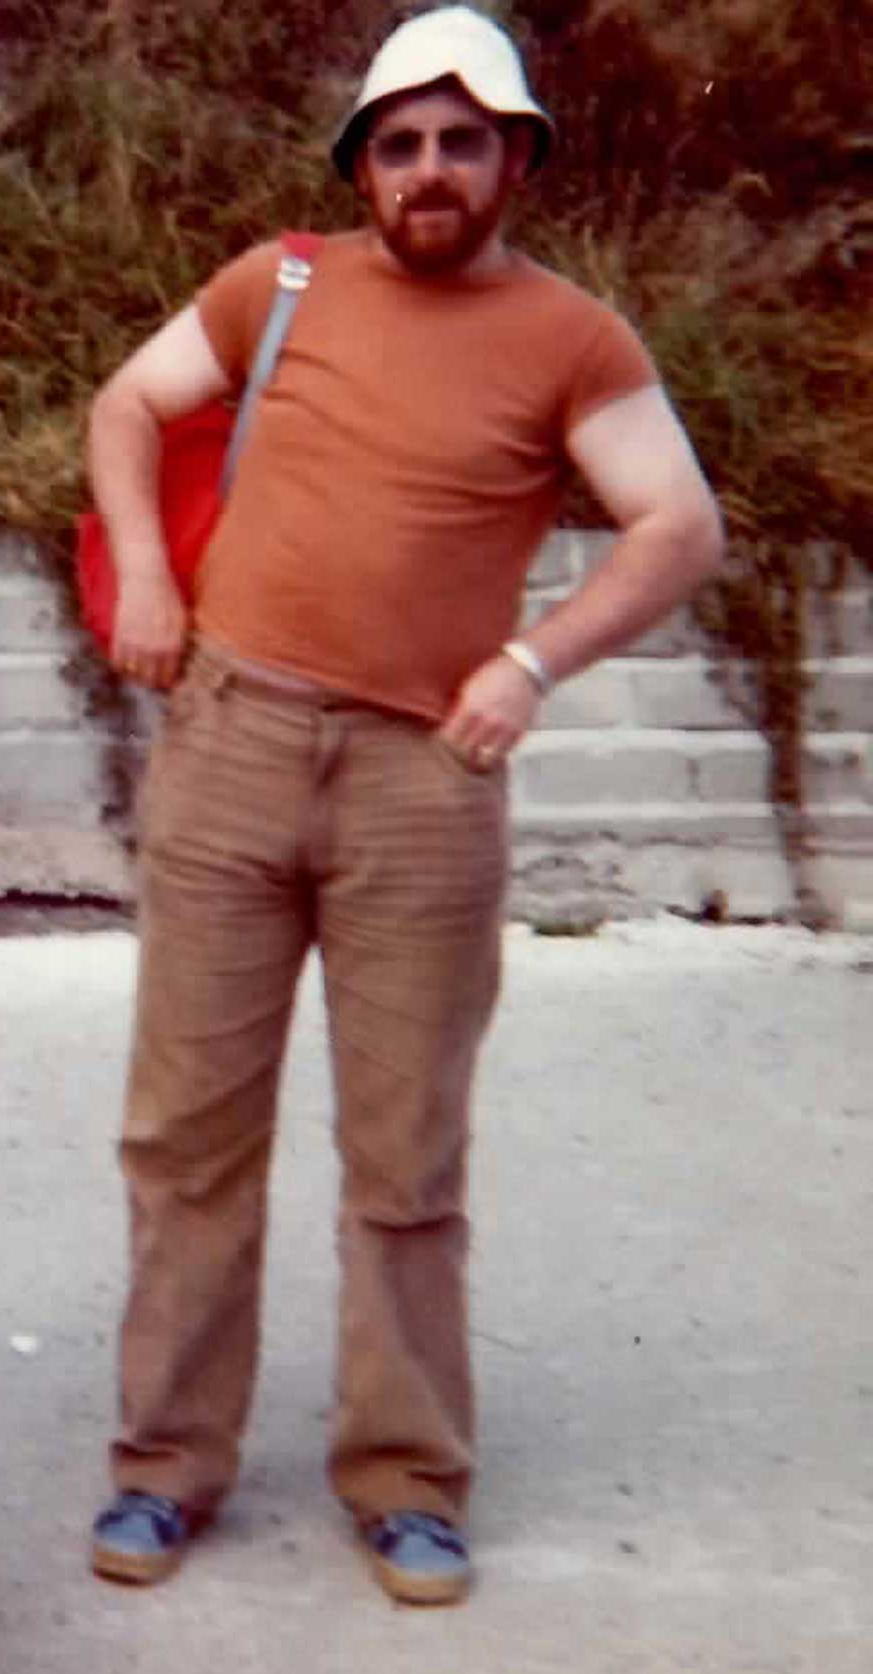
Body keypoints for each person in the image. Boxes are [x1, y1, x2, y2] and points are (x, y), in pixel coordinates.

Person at [84, 6, 723, 1605]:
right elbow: (123, 407)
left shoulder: (575, 338)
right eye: (400, 142)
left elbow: (675, 523)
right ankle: (166, 1465)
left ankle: (406, 1477)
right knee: (185, 1137)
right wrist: (151, 578)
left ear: (516, 157)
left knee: (406, 1155)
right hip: (231, 737)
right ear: (361, 166)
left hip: (425, 781)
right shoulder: (279, 283)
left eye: (461, 140)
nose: (429, 169)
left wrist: (533, 659)